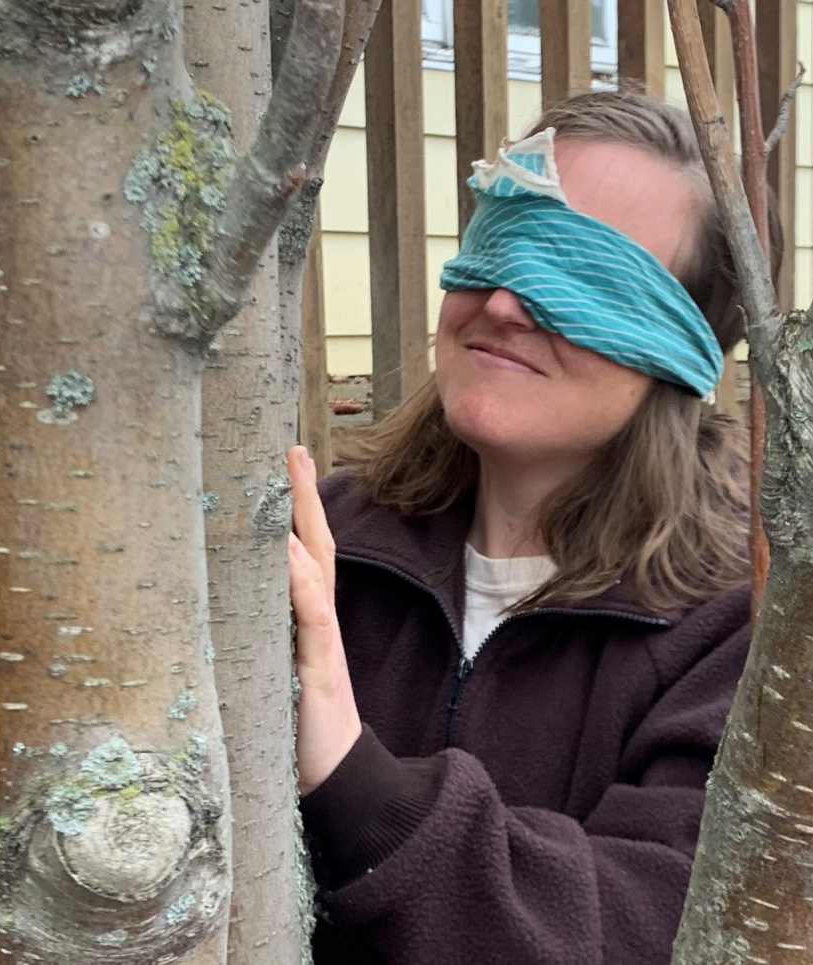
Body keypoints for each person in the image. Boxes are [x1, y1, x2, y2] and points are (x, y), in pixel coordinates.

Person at [286, 90, 774, 965]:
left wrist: (356, 785)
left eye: (581, 275)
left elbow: (654, 923)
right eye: (498, 244)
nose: (505, 303)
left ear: (684, 347)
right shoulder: (322, 548)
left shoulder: (740, 624)